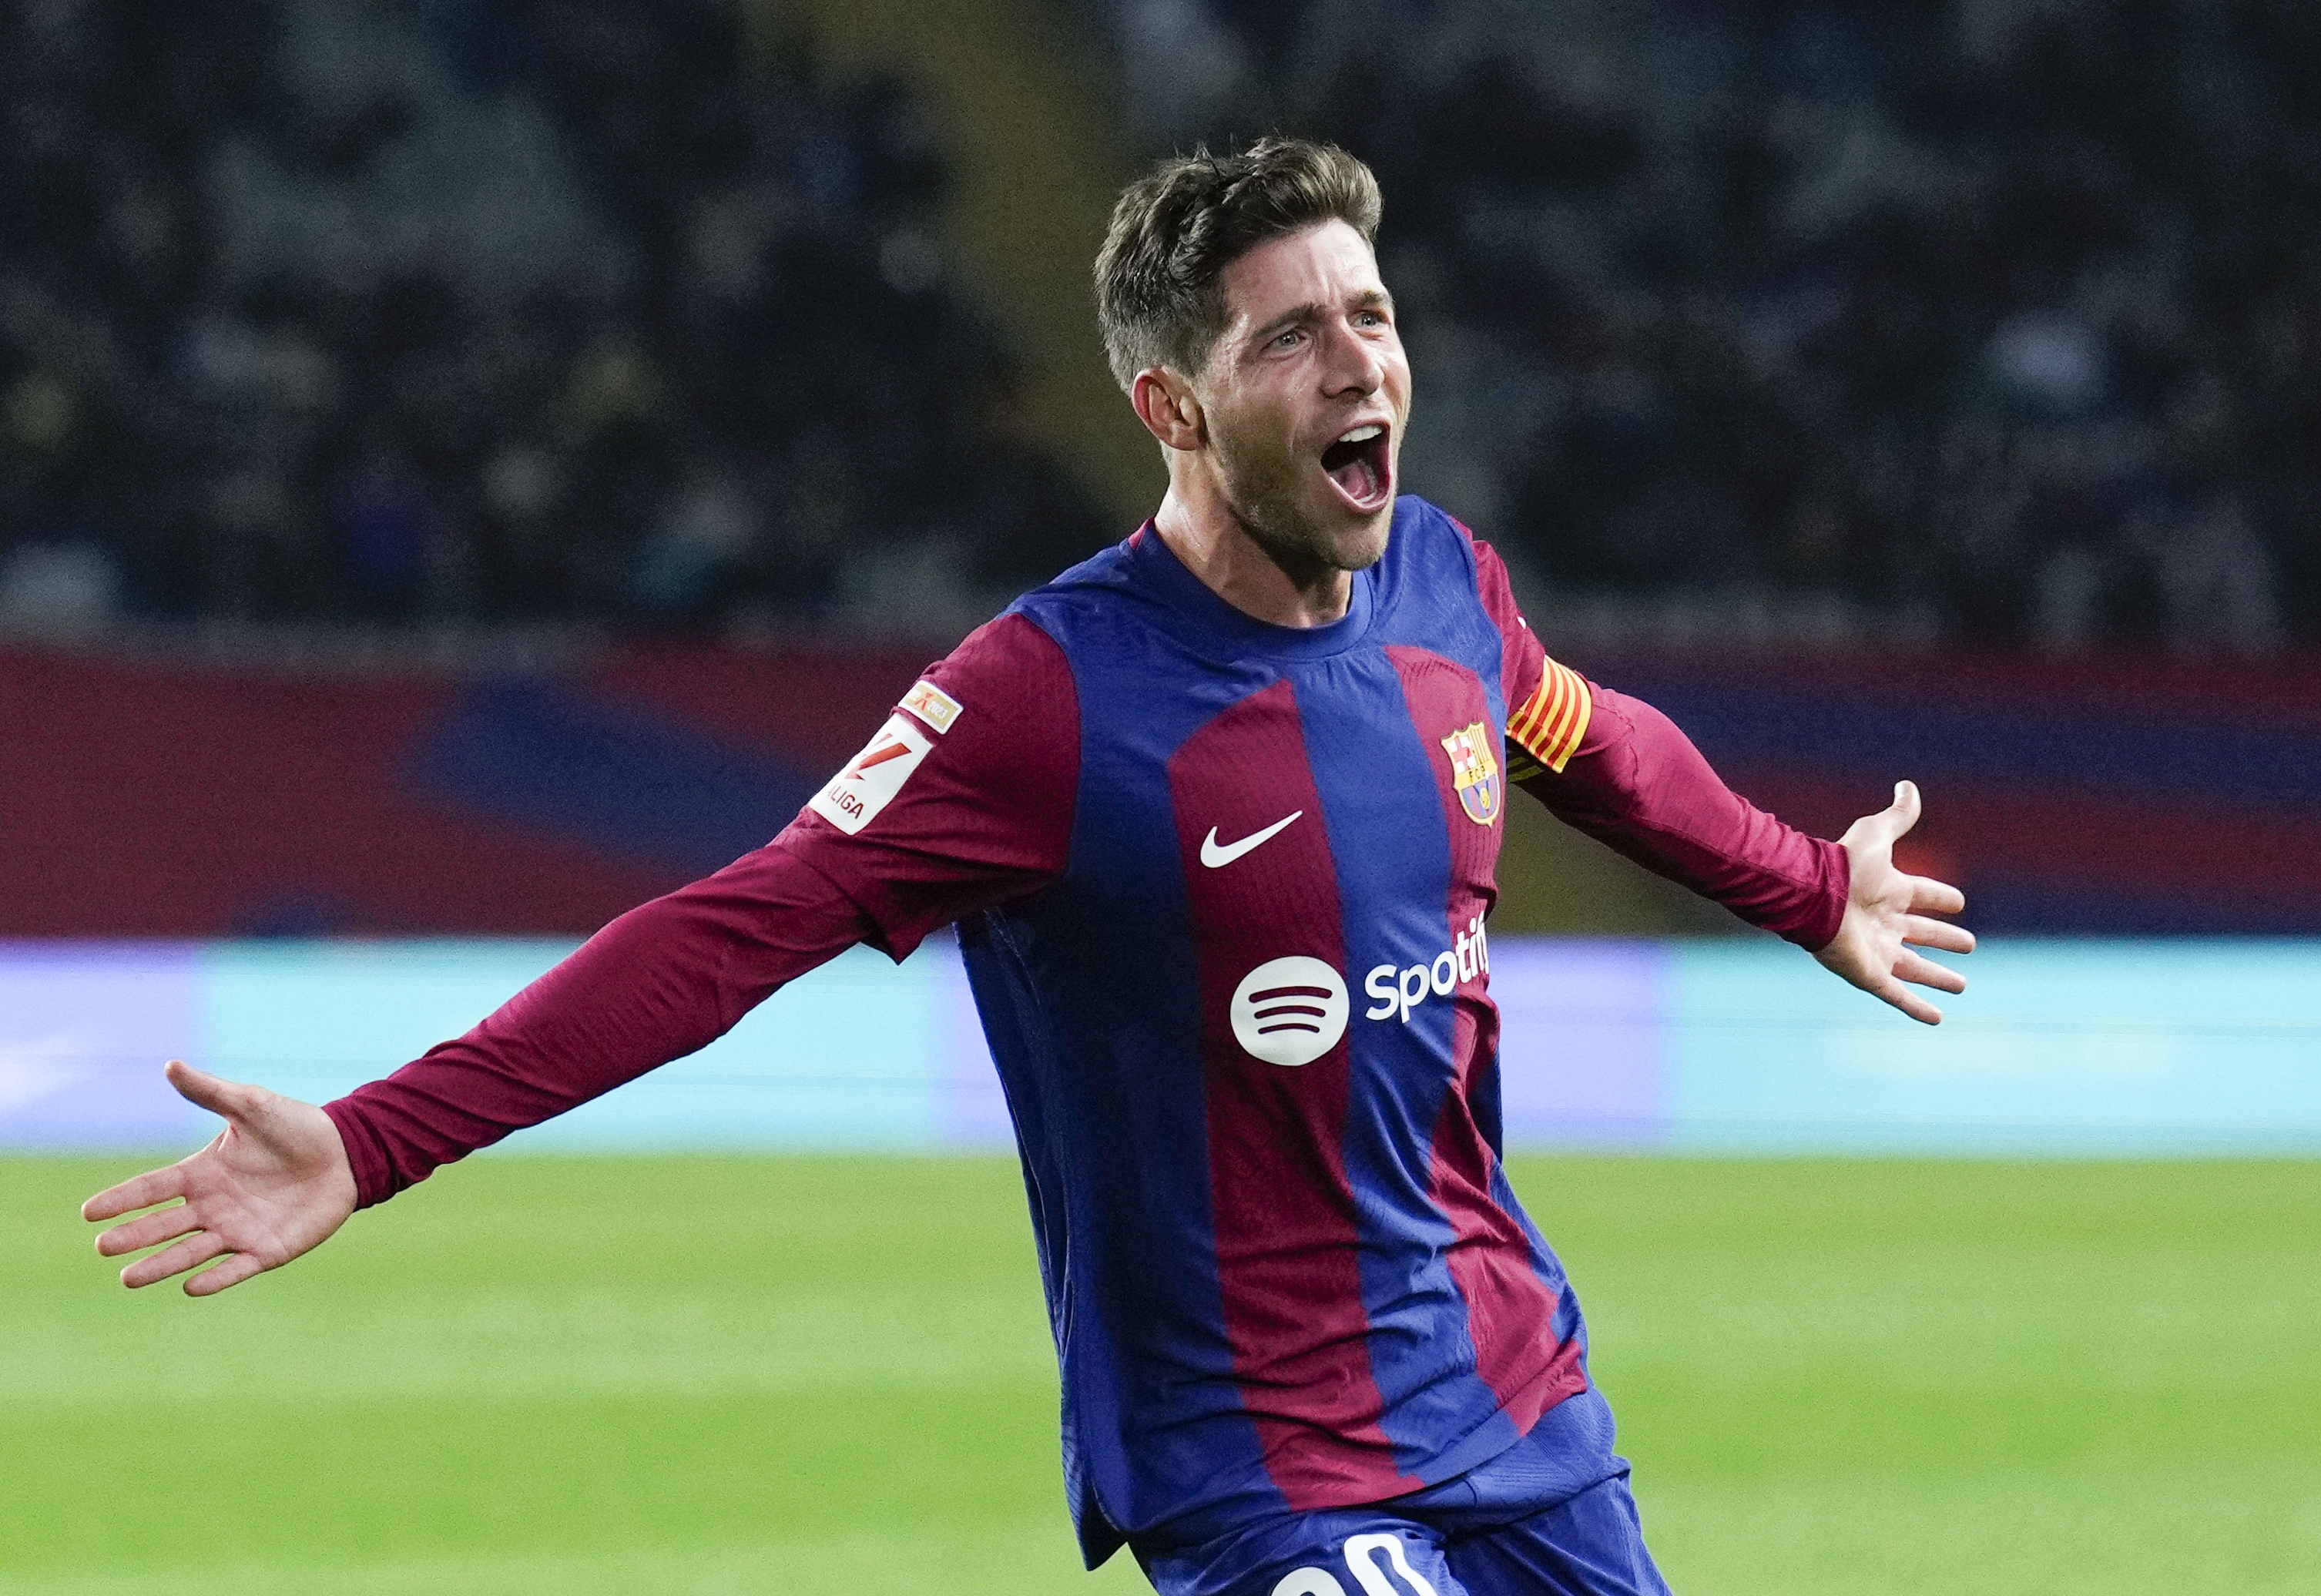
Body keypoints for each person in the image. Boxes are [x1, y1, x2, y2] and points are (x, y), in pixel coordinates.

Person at [84, 139, 1970, 1596]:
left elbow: (1578, 733)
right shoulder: (1041, 703)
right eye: (1290, 334)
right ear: (1172, 409)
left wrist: (1810, 885)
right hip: (1258, 1456)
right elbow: (730, 931)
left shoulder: (1441, 585)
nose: (1358, 362)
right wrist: (377, 1135)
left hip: (1521, 1392)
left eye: (1373, 314)